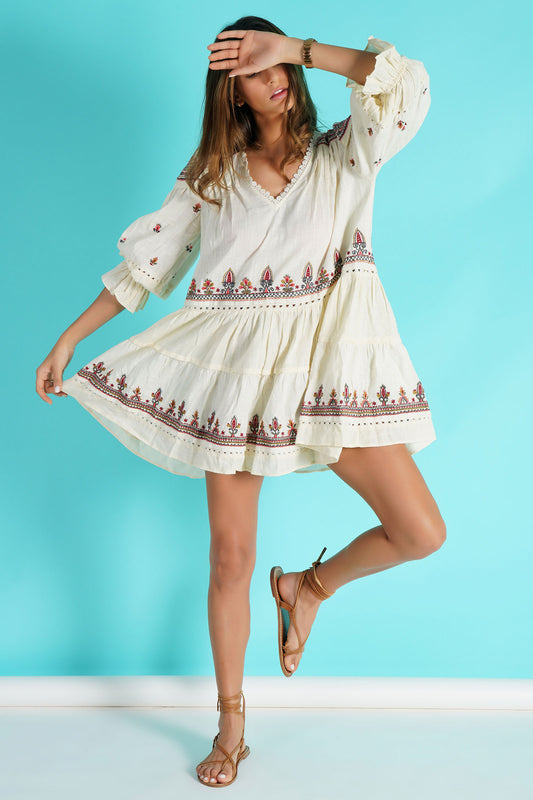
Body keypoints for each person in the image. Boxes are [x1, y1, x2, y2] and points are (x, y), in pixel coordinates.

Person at [35, 16, 446, 788]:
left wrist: (296, 48)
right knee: (229, 558)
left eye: (277, 62)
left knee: (420, 530)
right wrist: (69, 339)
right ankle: (231, 725)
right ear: (230, 92)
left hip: (323, 374)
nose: (274, 78)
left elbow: (404, 84)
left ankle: (307, 588)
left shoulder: (344, 153)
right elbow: (145, 266)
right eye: (253, 69)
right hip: (236, 380)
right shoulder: (211, 175)